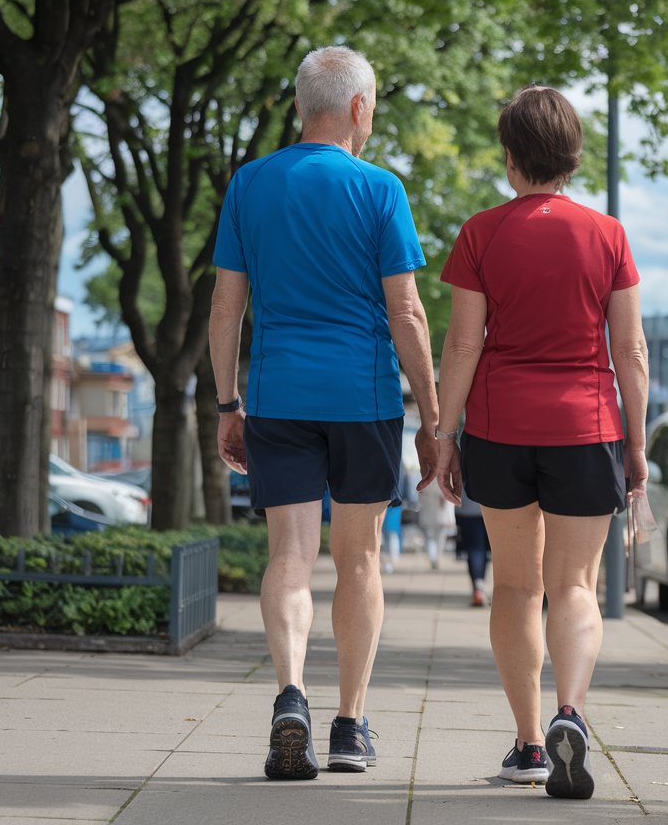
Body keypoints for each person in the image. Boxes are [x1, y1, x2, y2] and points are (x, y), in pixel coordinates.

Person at [209, 46, 440, 782]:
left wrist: (227, 403)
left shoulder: (250, 184)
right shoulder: (380, 190)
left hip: (277, 396)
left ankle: (289, 695)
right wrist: (434, 417)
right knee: (359, 558)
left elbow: (225, 308)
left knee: (288, 557)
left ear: (300, 103)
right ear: (360, 109)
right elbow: (405, 310)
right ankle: (348, 725)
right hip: (363, 398)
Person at [434, 85, 648, 800]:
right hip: (587, 427)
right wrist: (638, 447)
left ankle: (529, 744)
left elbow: (464, 342)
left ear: (510, 156)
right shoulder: (608, 235)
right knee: (575, 588)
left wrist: (443, 432)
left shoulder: (481, 233)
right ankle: (571, 714)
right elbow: (633, 351)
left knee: (517, 587)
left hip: (499, 427)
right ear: (571, 155)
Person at [455, 493, 490, 606]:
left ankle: (478, 586)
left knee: (475, 548)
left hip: (467, 507)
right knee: (483, 550)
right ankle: (480, 585)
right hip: (495, 505)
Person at [417, 477, 455, 569]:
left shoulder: (424, 480)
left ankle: (433, 557)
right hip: (441, 515)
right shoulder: (446, 479)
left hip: (430, 514)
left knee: (431, 538)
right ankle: (436, 557)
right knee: (439, 538)